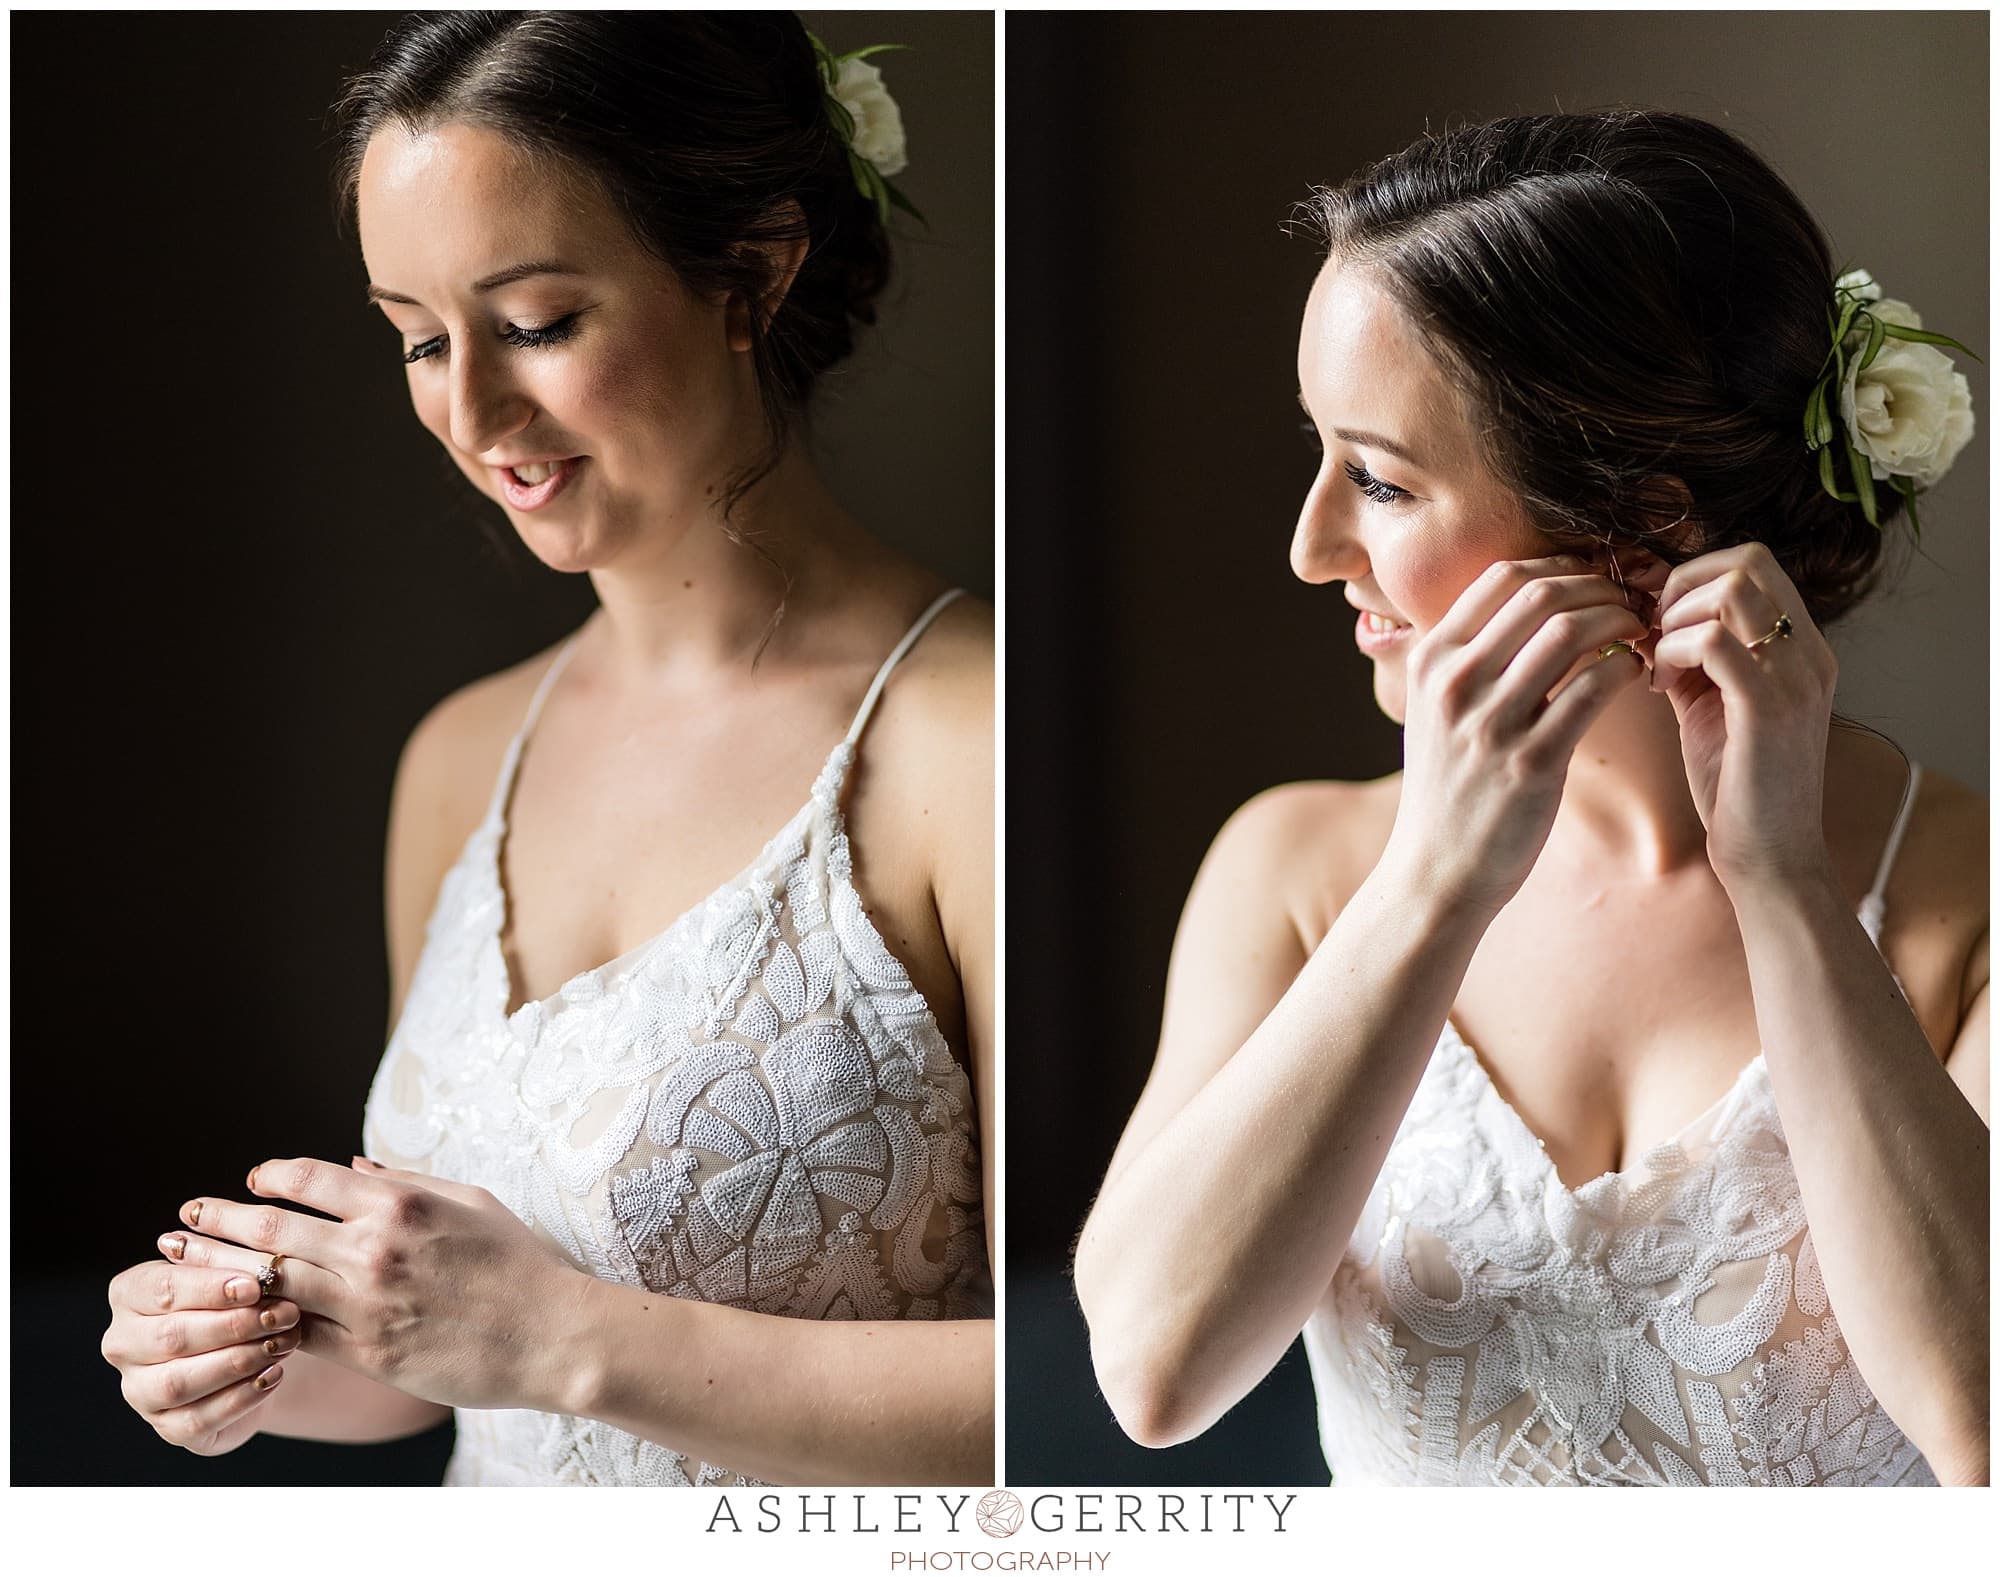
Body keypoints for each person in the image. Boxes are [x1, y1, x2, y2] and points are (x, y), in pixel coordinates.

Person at [99, 12, 993, 1487]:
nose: (470, 411)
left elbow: (1080, 1380)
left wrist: (564, 1338)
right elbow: (433, 1378)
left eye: (534, 324)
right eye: (420, 339)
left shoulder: (966, 749)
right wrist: (240, 1357)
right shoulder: (459, 756)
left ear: (751, 273)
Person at [1074, 111, 1987, 1487]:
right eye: (1318, 456)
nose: (1312, 545)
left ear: (1642, 525)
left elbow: (1977, 1418)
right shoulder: (1292, 870)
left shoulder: (1967, 896)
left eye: (1378, 477)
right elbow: (1154, 1367)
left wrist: (1788, 883)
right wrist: (1434, 881)